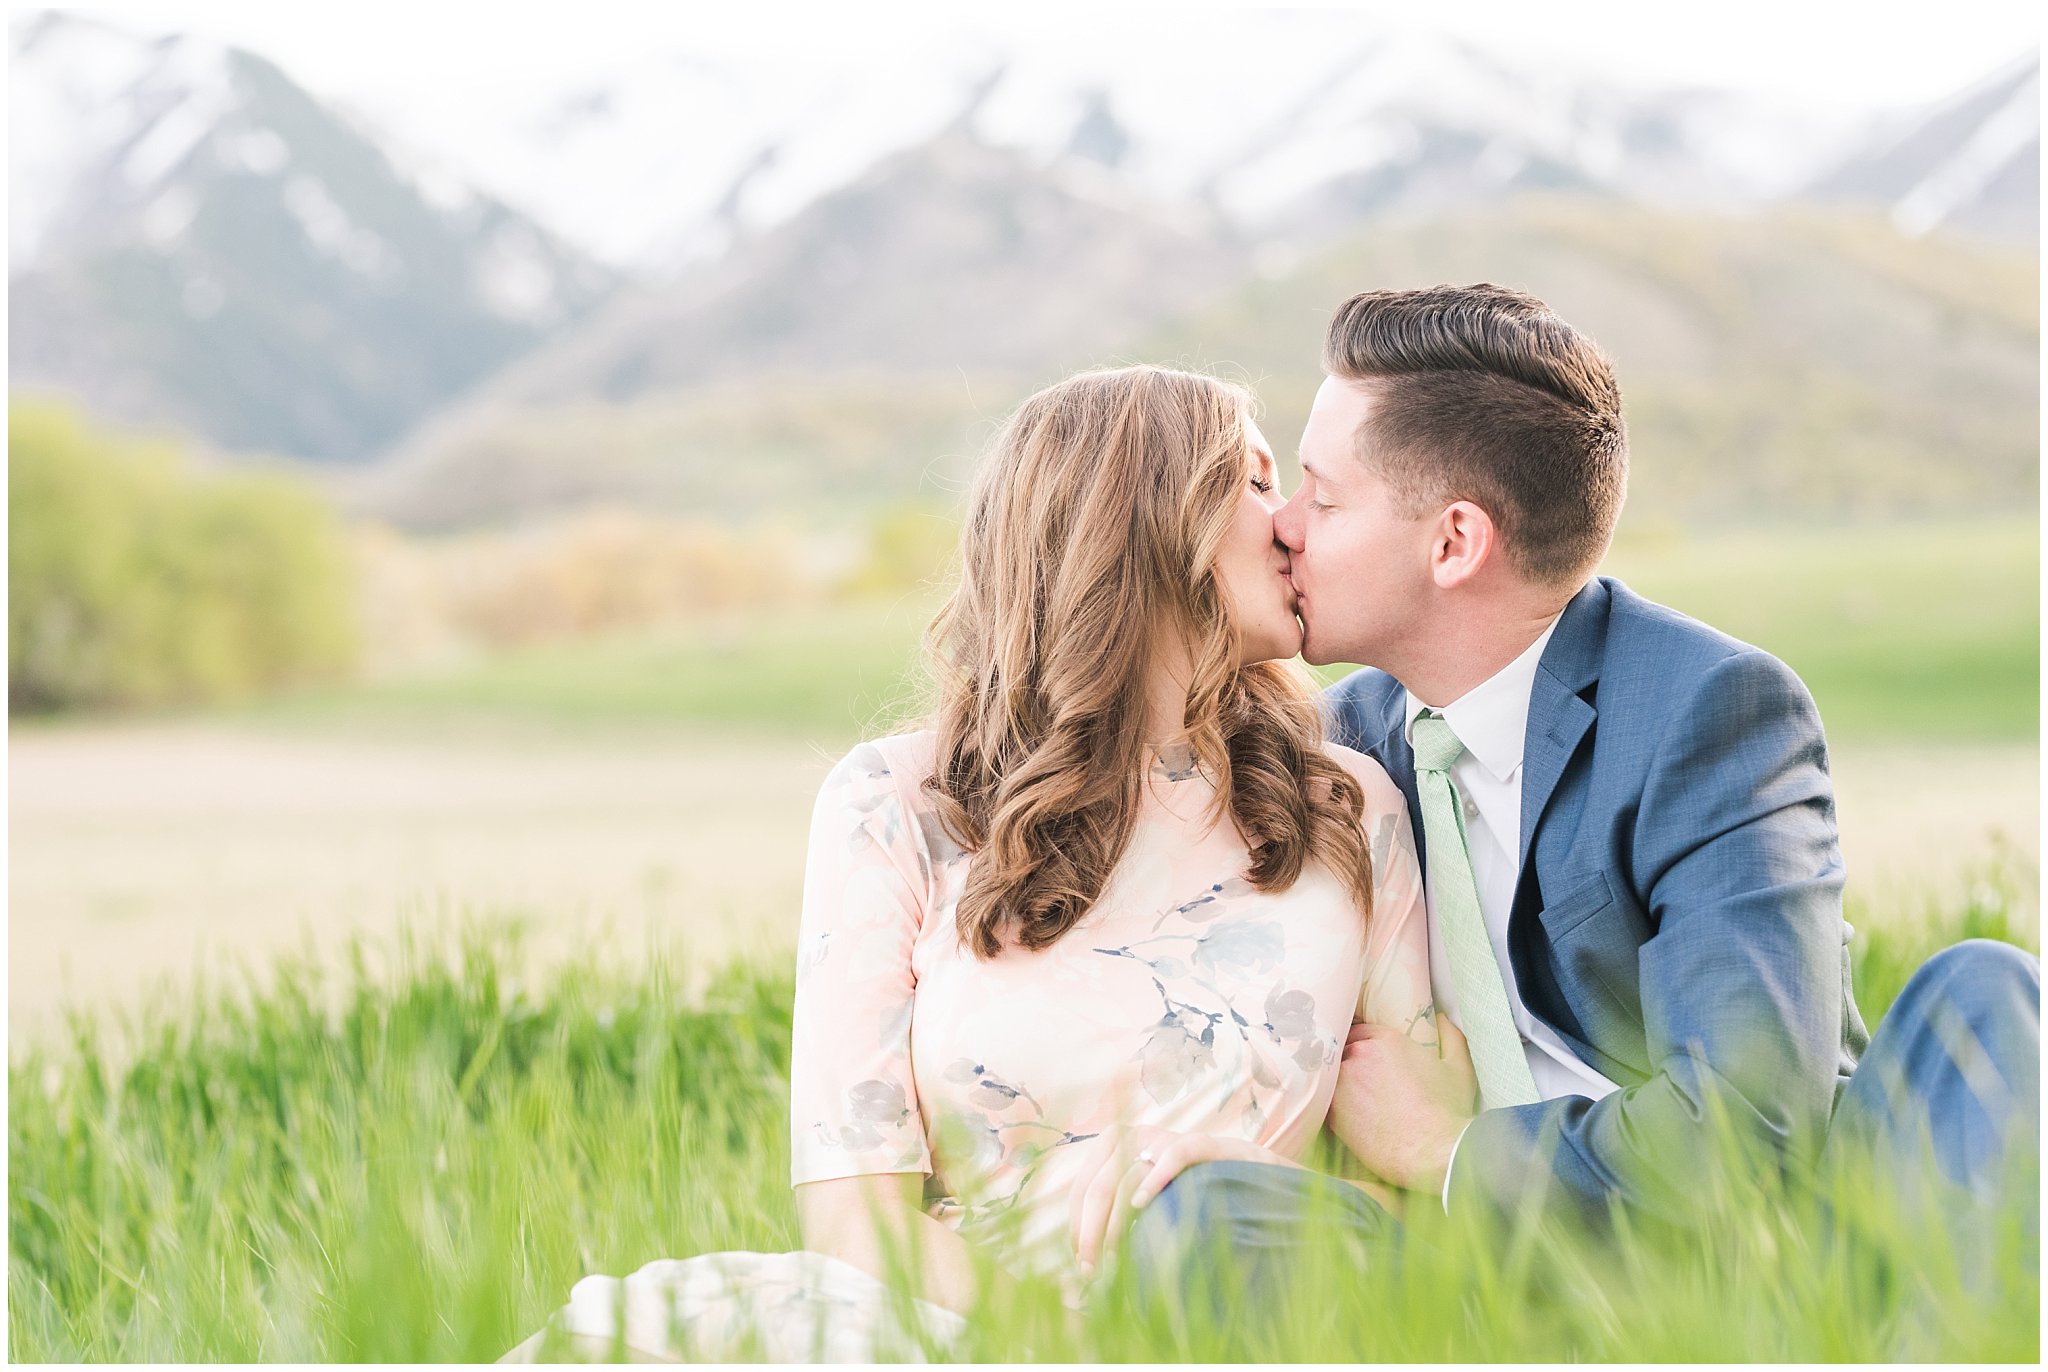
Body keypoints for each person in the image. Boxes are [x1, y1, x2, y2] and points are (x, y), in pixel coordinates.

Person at [498, 365, 1436, 1361]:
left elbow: (1396, 1202)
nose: (1293, 521)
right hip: (957, 1327)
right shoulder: (893, 804)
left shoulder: (1348, 809)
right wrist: (1078, 1338)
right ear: (1149, 522)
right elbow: (853, 1216)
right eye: (1251, 484)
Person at [1134, 284, 2040, 1281]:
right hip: (1487, 1273)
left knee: (1983, 993)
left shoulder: (1708, 711)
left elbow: (1743, 1129)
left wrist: (1449, 1150)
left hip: (1767, 1257)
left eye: (1322, 496)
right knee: (1205, 1214)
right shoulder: (1339, 748)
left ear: (1453, 542)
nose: (1283, 527)